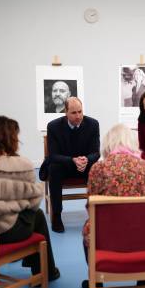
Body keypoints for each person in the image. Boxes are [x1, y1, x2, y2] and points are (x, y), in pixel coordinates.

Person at [0, 116, 60, 281]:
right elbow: (35, 202)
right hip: (4, 231)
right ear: (11, 138)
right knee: (37, 216)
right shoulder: (21, 165)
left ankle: (42, 269)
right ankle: (45, 272)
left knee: (32, 216)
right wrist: (17, 203)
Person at [80, 123, 145, 288]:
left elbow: (90, 205)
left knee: (88, 225)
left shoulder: (98, 169)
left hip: (107, 235)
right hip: (142, 234)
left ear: (108, 144)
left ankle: (96, 280)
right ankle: (143, 278)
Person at [46, 97, 100, 232]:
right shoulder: (53, 126)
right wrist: (72, 160)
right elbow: (53, 155)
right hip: (64, 165)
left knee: (97, 168)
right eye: (74, 113)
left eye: (80, 112)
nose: (78, 116)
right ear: (66, 112)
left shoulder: (93, 124)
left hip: (84, 164)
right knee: (54, 169)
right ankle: (57, 216)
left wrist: (87, 159)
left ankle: (95, 213)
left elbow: (96, 153)